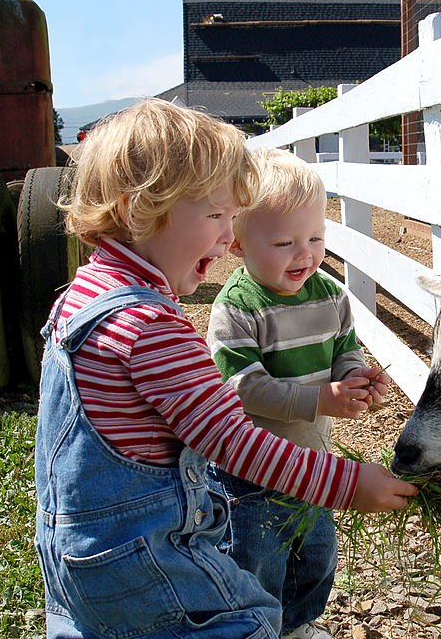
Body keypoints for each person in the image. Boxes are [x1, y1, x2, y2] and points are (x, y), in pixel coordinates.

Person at [33, 99, 416, 639]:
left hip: (72, 550)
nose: (226, 237)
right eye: (215, 215)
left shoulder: (82, 298)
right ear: (137, 209)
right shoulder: (149, 329)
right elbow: (235, 442)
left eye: (232, 217)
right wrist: (348, 482)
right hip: (139, 555)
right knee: (249, 621)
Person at [205, 148, 389, 639]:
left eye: (315, 237)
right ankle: (253, 628)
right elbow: (244, 389)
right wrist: (321, 400)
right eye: (284, 241)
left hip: (311, 461)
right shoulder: (237, 309)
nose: (304, 253)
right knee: (255, 560)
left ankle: (296, 626)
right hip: (250, 474)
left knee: (316, 555)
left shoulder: (329, 296)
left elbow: (345, 350)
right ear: (237, 246)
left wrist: (357, 379)